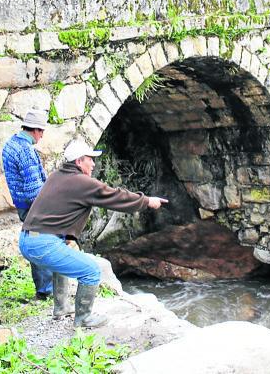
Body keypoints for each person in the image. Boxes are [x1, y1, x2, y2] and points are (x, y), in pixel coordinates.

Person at [20, 140, 168, 328]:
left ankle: (61, 308)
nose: (94, 163)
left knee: (62, 258)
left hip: (28, 240)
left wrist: (70, 238)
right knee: (91, 271)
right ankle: (83, 319)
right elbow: (115, 196)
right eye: (90, 159)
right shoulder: (82, 182)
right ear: (79, 161)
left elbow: (63, 212)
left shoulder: (56, 177)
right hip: (42, 244)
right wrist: (147, 201)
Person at [1, 108, 53, 300]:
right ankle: (46, 290)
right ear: (35, 130)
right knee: (42, 244)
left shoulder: (10, 144)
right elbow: (34, 191)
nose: (42, 137)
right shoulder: (25, 151)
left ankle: (43, 288)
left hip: (22, 206)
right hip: (34, 207)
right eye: (42, 132)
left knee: (35, 241)